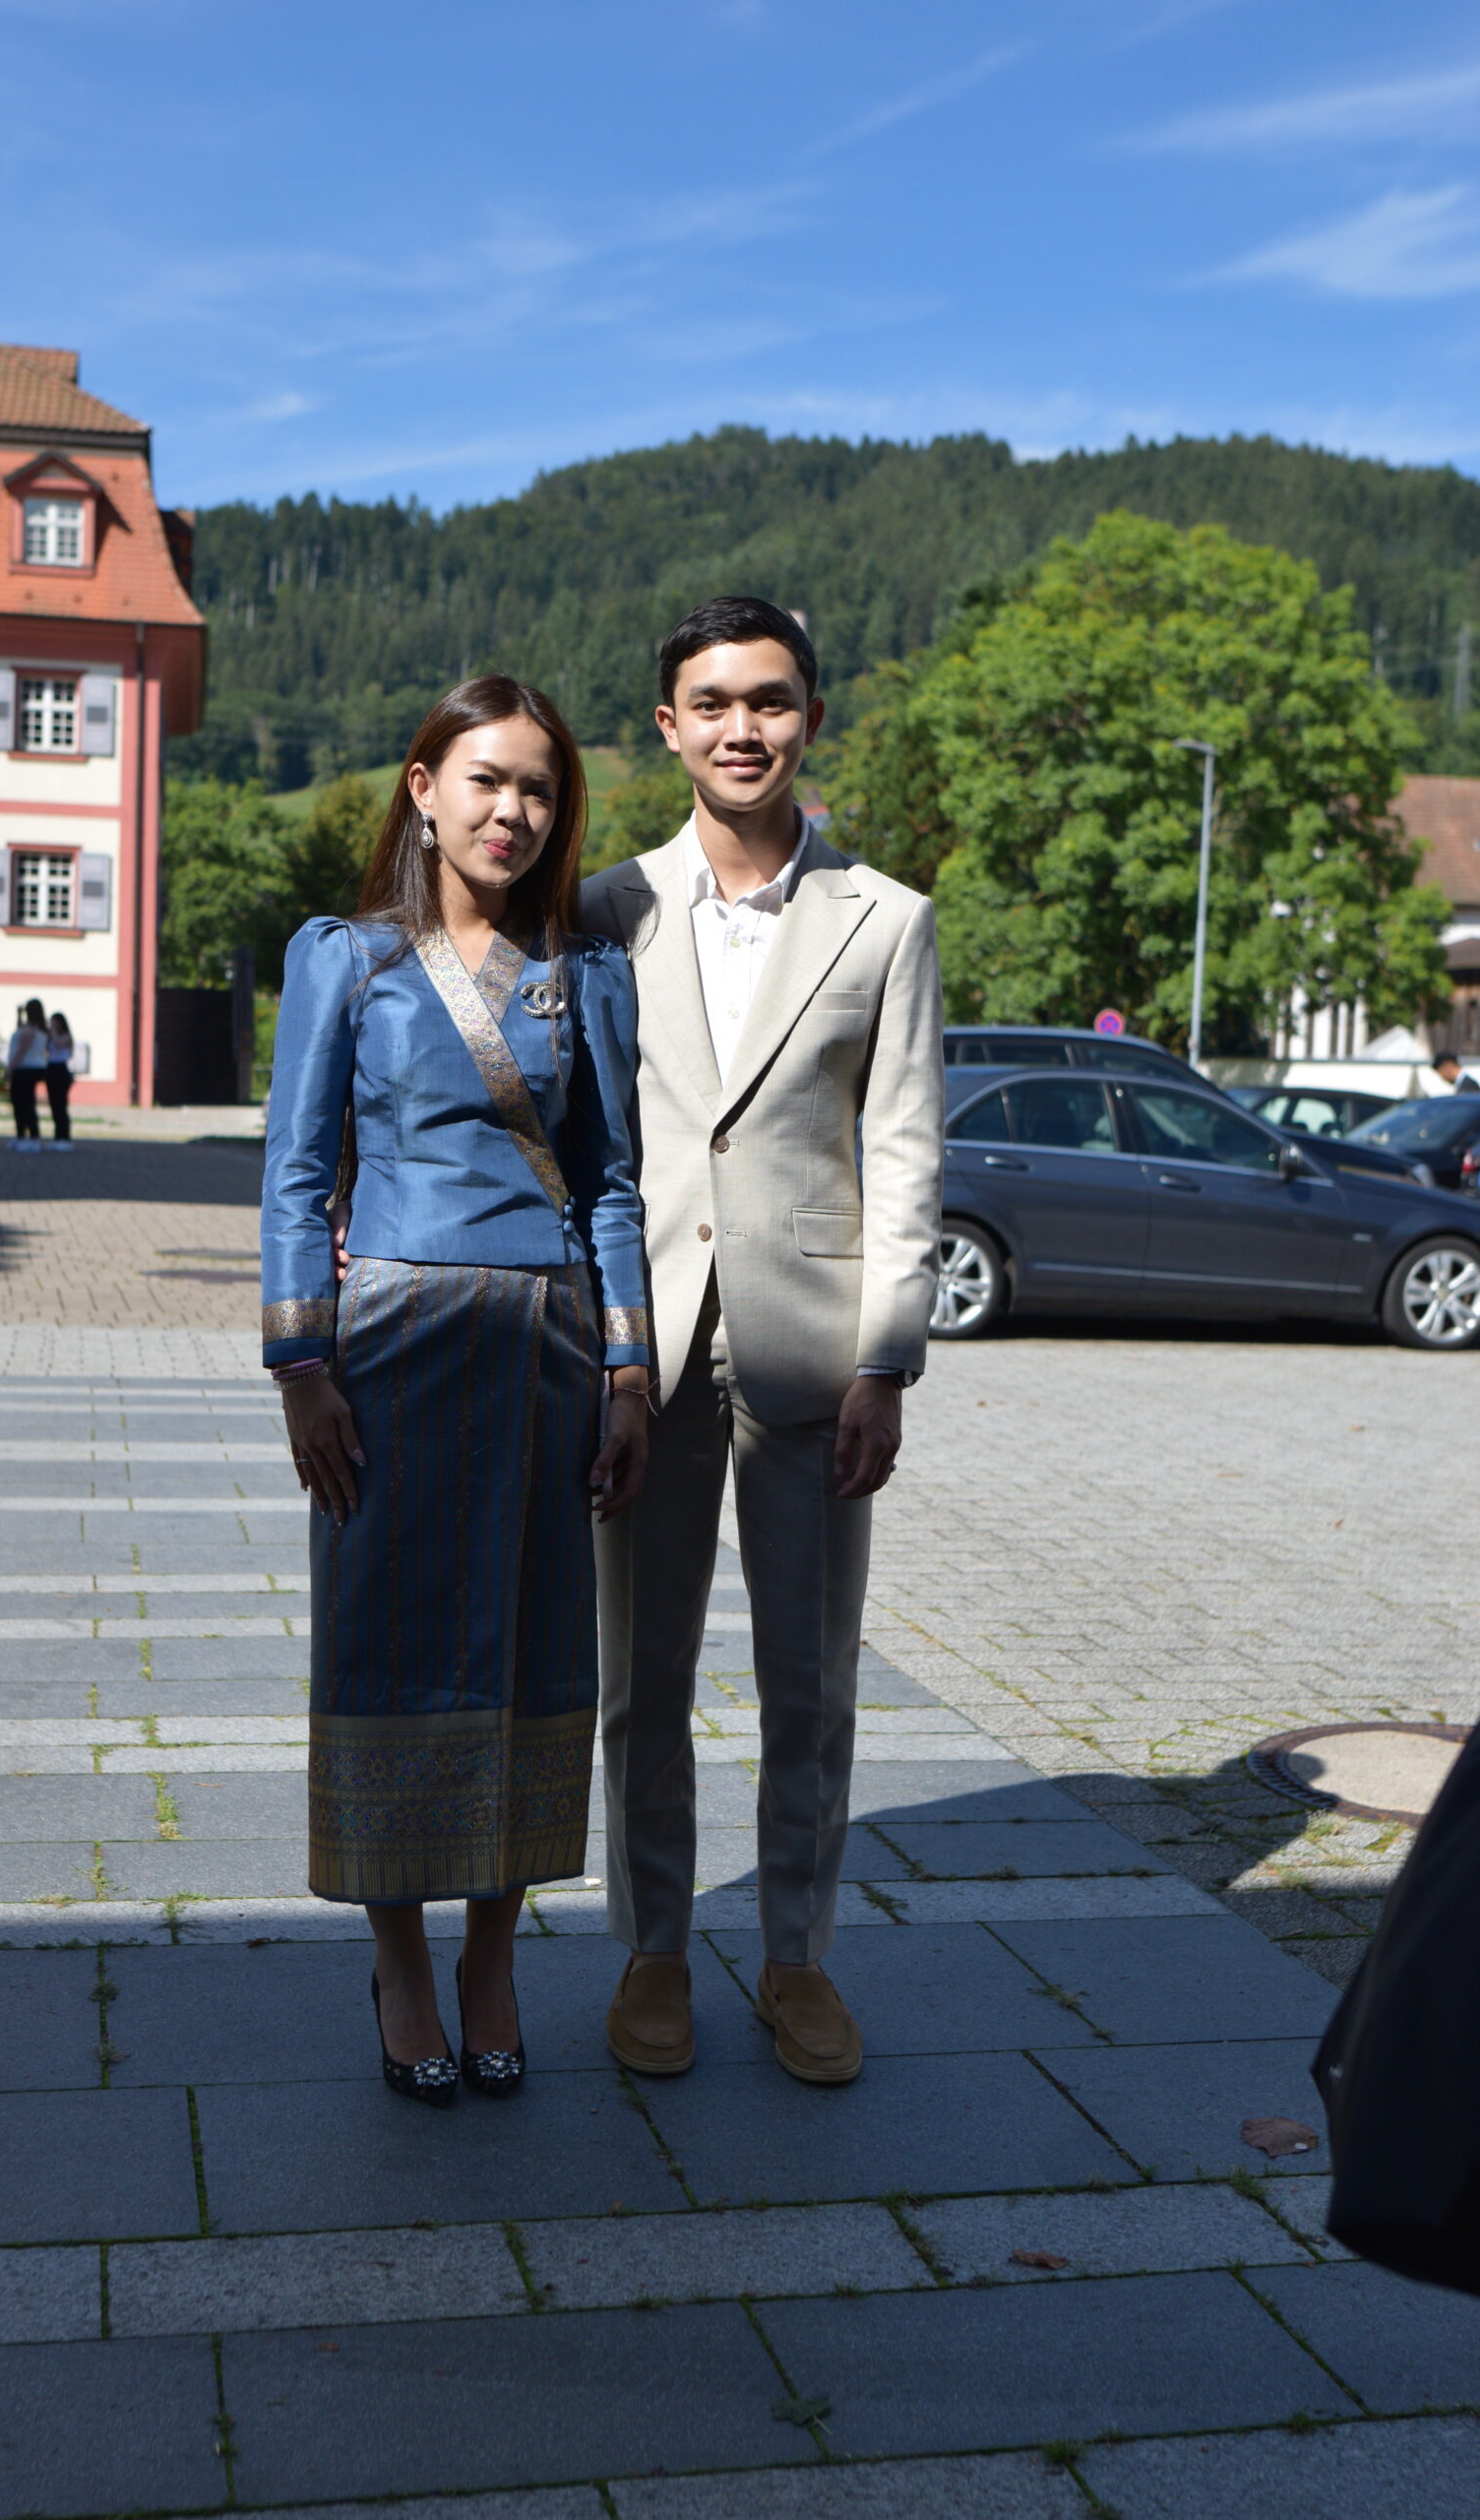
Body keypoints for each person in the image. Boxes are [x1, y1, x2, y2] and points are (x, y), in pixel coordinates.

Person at [262, 674, 650, 2107]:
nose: (513, 810)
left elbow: (611, 1187)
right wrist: (301, 1367)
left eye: (539, 787)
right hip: (391, 1350)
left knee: (532, 1656)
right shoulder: (347, 960)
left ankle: (494, 1960)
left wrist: (628, 1369)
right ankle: (402, 1967)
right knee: (386, 1652)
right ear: (424, 787)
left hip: (548, 1351)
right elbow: (296, 1174)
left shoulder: (587, 974)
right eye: (486, 778)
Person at [580, 596, 944, 2087]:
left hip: (813, 1351)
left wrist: (887, 1358)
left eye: (771, 700)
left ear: (810, 718)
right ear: (668, 726)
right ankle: (653, 1949)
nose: (744, 728)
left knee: (811, 1678)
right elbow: (581, 1137)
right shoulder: (604, 908)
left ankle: (796, 1955)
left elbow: (905, 1149)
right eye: (714, 703)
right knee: (638, 1676)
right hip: (642, 1352)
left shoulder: (887, 918)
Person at [6, 999, 49, 1148]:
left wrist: (10, 1068)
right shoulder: (39, 1029)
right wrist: (18, 1016)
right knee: (24, 1103)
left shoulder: (30, 1030)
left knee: (23, 1103)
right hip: (32, 1068)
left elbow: (21, 1050)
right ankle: (22, 1135)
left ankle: (32, 1137)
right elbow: (20, 1031)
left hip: (25, 1069)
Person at [44, 1013, 77, 1146]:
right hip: (51, 1069)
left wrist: (52, 1031)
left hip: (61, 1070)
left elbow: (58, 1044)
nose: (54, 1025)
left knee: (61, 1104)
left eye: (56, 1022)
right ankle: (57, 1137)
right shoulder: (51, 1036)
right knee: (54, 1105)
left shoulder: (66, 1036)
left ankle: (65, 1137)